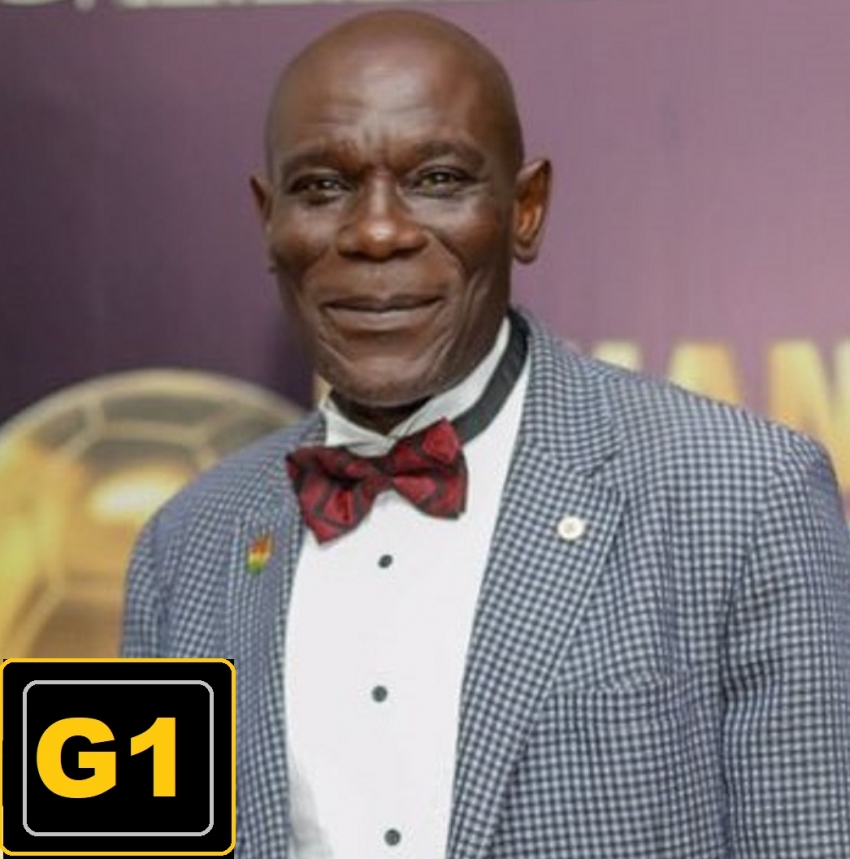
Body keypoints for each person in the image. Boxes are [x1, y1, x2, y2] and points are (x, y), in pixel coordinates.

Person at [122, 9, 850, 858]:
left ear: (526, 209)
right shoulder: (185, 547)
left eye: (437, 179)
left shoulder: (744, 494)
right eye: (321, 187)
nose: (377, 231)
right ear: (267, 219)